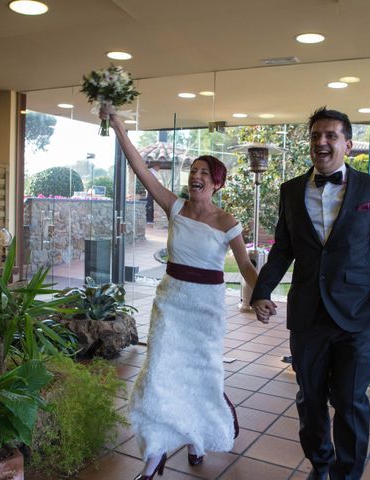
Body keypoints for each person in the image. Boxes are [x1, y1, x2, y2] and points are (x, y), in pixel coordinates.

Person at [251, 107, 370, 480]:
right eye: (315, 136)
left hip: (356, 315)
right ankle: (320, 465)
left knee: (351, 402)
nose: (321, 143)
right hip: (308, 315)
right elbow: (282, 249)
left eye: (330, 136)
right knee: (310, 401)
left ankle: (346, 475)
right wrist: (261, 290)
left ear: (348, 144)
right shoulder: (290, 190)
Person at [102, 109, 258, 480]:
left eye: (205, 173)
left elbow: (247, 267)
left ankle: (195, 439)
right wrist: (120, 127)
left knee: (201, 378)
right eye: (194, 171)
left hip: (205, 311)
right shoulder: (174, 208)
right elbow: (141, 168)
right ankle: (154, 456)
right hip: (171, 304)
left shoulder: (228, 223)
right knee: (158, 374)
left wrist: (260, 296)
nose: (196, 176)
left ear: (217, 183)